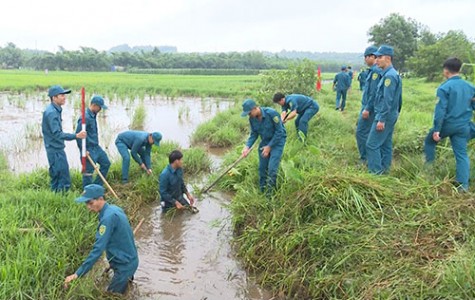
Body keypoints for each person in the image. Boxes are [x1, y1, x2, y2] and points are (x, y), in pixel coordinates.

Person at [64, 184, 138, 294]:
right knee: (126, 289)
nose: (88, 207)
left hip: (124, 265)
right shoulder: (114, 208)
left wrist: (77, 274)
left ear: (101, 199)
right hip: (130, 259)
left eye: (91, 203)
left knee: (110, 295)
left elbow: (97, 250)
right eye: (86, 204)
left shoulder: (107, 219)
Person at [424, 57, 475, 192]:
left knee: (429, 142)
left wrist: (436, 130)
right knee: (461, 154)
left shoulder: (444, 88)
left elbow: (440, 111)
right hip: (463, 125)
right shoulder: (470, 87)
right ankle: (463, 186)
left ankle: (429, 171)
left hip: (448, 125)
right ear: (459, 69)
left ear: (446, 71)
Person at [366, 45, 402, 174]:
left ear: (388, 58)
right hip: (389, 115)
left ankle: (375, 173)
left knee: (371, 144)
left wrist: (382, 119)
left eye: (379, 57)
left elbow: (388, 100)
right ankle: (385, 171)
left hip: (384, 116)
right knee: (386, 144)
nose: (376, 60)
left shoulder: (389, 77)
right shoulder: (389, 74)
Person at [42, 85, 86, 192]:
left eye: (64, 95)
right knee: (63, 177)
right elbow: (57, 134)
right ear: (54, 98)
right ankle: (62, 199)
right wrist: (76, 136)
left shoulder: (54, 110)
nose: (64, 97)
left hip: (53, 148)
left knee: (56, 175)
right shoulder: (52, 113)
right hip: (55, 150)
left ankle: (55, 196)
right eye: (61, 95)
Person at [241, 99, 286, 194]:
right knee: (262, 168)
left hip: (277, 142)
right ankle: (262, 191)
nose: (249, 115)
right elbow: (254, 134)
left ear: (255, 108)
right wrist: (247, 147)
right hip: (265, 142)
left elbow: (280, 132)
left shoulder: (272, 114)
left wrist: (269, 147)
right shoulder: (252, 119)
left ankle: (269, 195)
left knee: (272, 169)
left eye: (249, 113)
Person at [76, 95, 111, 188]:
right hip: (88, 149)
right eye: (100, 107)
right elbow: (78, 135)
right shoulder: (85, 118)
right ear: (94, 105)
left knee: (106, 163)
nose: (100, 110)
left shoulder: (93, 115)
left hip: (96, 147)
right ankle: (88, 194)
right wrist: (83, 150)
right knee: (88, 173)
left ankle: (96, 186)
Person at [356, 46, 382, 164]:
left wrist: (367, 108)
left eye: (366, 57)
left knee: (361, 132)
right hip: (369, 106)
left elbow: (374, 93)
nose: (365, 60)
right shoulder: (372, 71)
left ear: (372, 57)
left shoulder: (375, 71)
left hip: (370, 108)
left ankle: (365, 158)